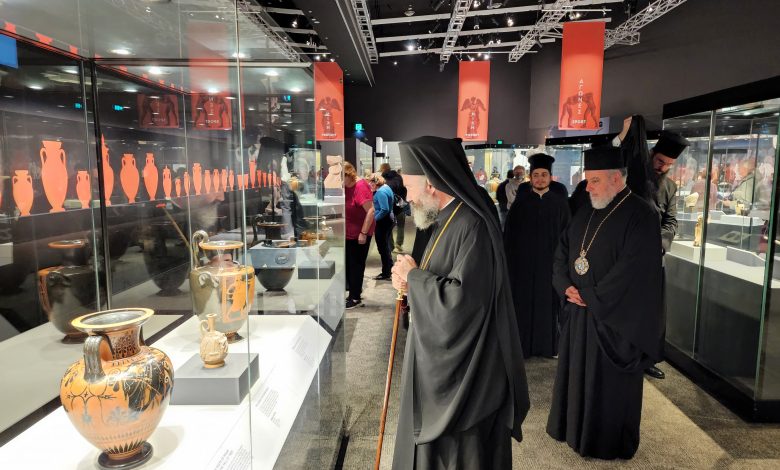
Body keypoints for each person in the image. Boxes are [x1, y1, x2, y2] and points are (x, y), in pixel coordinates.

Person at [390, 136, 529, 469]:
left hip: (469, 376)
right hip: (444, 359)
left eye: (410, 188)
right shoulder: (447, 218)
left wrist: (415, 279)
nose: (408, 198)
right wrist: (412, 283)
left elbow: (462, 305)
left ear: (432, 183)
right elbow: (443, 279)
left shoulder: (472, 225)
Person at [547, 146, 664, 460]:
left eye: (594, 181)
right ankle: (574, 430)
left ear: (616, 178)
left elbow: (634, 271)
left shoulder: (642, 214)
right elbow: (563, 250)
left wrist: (592, 296)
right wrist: (565, 285)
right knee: (576, 377)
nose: (588, 188)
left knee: (606, 388)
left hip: (615, 320)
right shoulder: (586, 209)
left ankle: (606, 442)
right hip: (580, 313)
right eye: (587, 181)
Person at [613, 118, 690, 380]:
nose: (663, 168)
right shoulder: (635, 174)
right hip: (629, 255)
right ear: (652, 155)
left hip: (655, 258)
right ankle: (621, 353)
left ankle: (646, 357)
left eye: (669, 165)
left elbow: (671, 220)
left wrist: (661, 243)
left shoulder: (670, 186)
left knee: (652, 312)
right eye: (660, 162)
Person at [504, 153, 570, 358]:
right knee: (522, 305)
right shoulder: (520, 204)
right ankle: (523, 347)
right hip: (523, 267)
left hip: (551, 267)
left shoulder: (561, 204)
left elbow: (568, 237)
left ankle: (549, 347)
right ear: (530, 178)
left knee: (549, 307)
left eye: (543, 175)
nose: (540, 179)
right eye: (536, 175)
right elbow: (509, 237)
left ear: (550, 177)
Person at [344, 162, 374, 309]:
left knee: (356, 265)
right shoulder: (345, 187)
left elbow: (371, 211)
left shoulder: (360, 186)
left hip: (360, 233)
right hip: (348, 233)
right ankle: (353, 292)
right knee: (349, 264)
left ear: (348, 175)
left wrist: (363, 233)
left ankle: (355, 298)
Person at [368, 173, 395, 280]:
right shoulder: (386, 187)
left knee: (382, 248)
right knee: (386, 247)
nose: (370, 184)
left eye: (371, 182)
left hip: (383, 222)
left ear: (376, 182)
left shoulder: (381, 192)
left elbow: (384, 209)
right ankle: (389, 267)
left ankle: (386, 272)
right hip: (388, 220)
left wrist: (374, 219)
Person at [380, 163, 408, 253]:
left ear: (383, 170)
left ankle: (390, 246)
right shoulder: (399, 178)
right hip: (400, 205)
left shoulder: (384, 181)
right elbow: (404, 190)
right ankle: (398, 245)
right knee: (400, 226)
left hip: (389, 207)